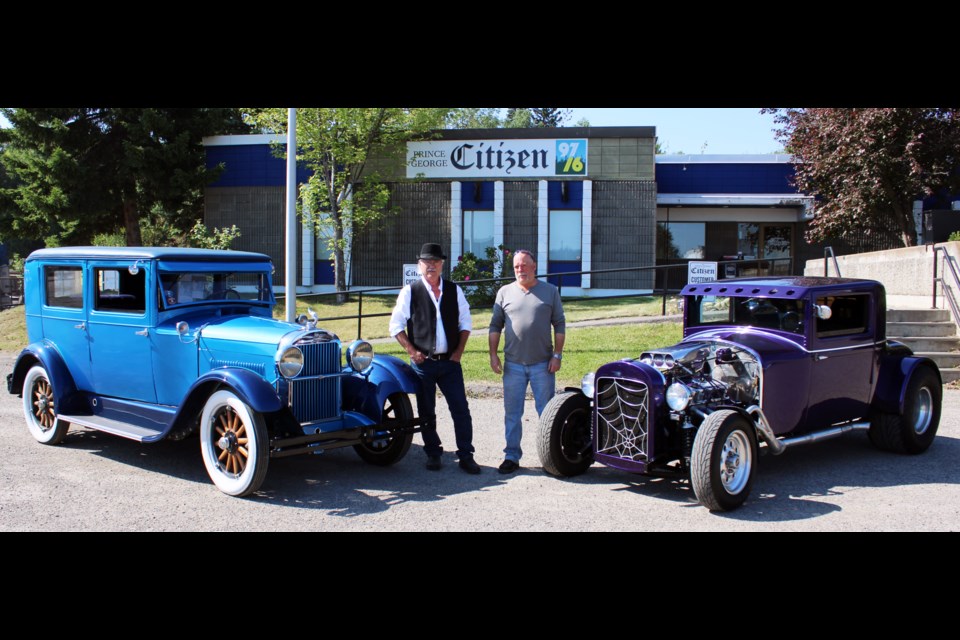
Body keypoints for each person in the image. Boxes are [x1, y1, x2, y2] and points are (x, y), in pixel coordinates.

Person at [388, 243, 481, 474]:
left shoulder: (454, 290)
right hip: (423, 364)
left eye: (436, 262)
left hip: (450, 362)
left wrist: (459, 351)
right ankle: (433, 452)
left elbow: (466, 323)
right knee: (426, 410)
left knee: (460, 408)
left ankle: (466, 454)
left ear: (442, 265)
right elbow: (396, 326)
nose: (431, 265)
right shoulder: (410, 292)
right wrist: (411, 351)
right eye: (427, 262)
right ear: (419, 265)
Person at [488, 249, 565, 474]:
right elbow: (495, 326)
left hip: (543, 364)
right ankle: (511, 456)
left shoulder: (550, 291)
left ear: (534, 266)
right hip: (513, 365)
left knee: (546, 414)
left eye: (524, 265)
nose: (520, 270)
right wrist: (493, 355)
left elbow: (559, 324)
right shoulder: (504, 292)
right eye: (516, 267)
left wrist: (557, 355)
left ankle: (551, 457)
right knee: (512, 414)